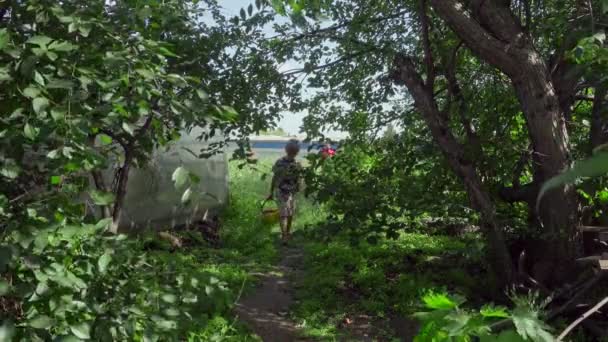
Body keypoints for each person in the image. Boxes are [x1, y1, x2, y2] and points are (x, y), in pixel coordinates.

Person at [268, 139, 303, 244]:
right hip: (286, 192)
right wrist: (298, 188)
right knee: (287, 214)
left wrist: (271, 191)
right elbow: (299, 180)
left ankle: (285, 235)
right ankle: (285, 234)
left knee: (286, 214)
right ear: (297, 151)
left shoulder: (281, 162)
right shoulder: (296, 164)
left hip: (285, 192)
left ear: (286, 149)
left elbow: (275, 178)